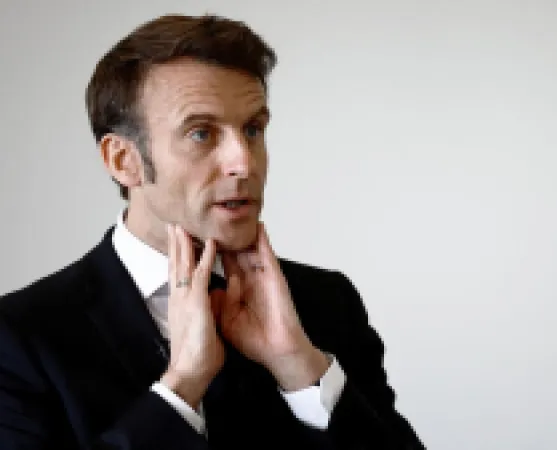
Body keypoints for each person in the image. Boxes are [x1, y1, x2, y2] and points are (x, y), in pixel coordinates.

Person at [0, 13, 424, 449]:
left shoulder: (328, 302)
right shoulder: (18, 337)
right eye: (201, 134)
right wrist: (181, 388)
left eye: (253, 129)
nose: (244, 162)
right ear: (123, 161)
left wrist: (299, 368)